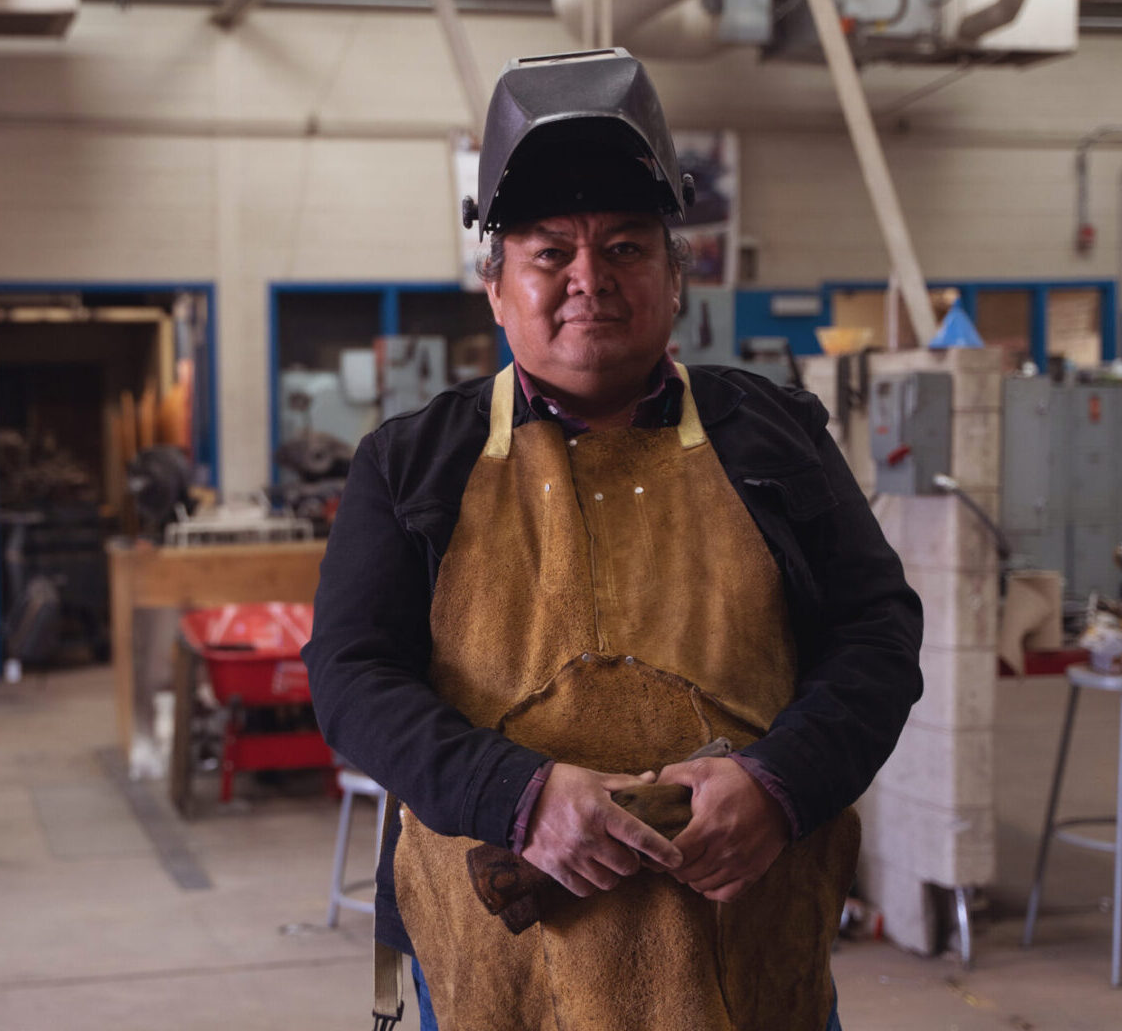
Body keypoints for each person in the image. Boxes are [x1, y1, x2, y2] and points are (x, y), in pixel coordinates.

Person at [302, 50, 923, 1031]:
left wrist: (778, 783)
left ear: (676, 278)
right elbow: (349, 675)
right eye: (550, 251)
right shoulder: (410, 464)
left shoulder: (775, 437)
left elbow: (876, 636)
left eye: (626, 247)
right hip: (496, 965)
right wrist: (516, 796)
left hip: (748, 953)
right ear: (495, 286)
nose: (588, 278)